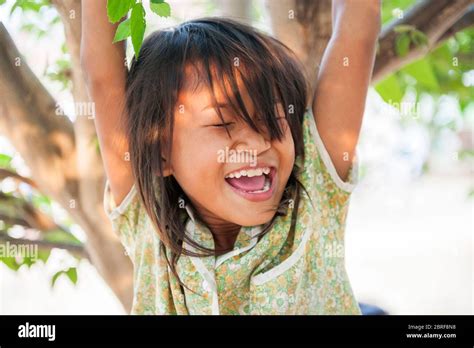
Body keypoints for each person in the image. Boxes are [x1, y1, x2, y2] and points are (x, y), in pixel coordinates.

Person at [81, 0, 380, 315]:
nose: (257, 142)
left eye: (273, 119)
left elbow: (357, 35)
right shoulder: (146, 215)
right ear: (160, 152)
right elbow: (102, 80)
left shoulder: (315, 184)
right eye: (222, 123)